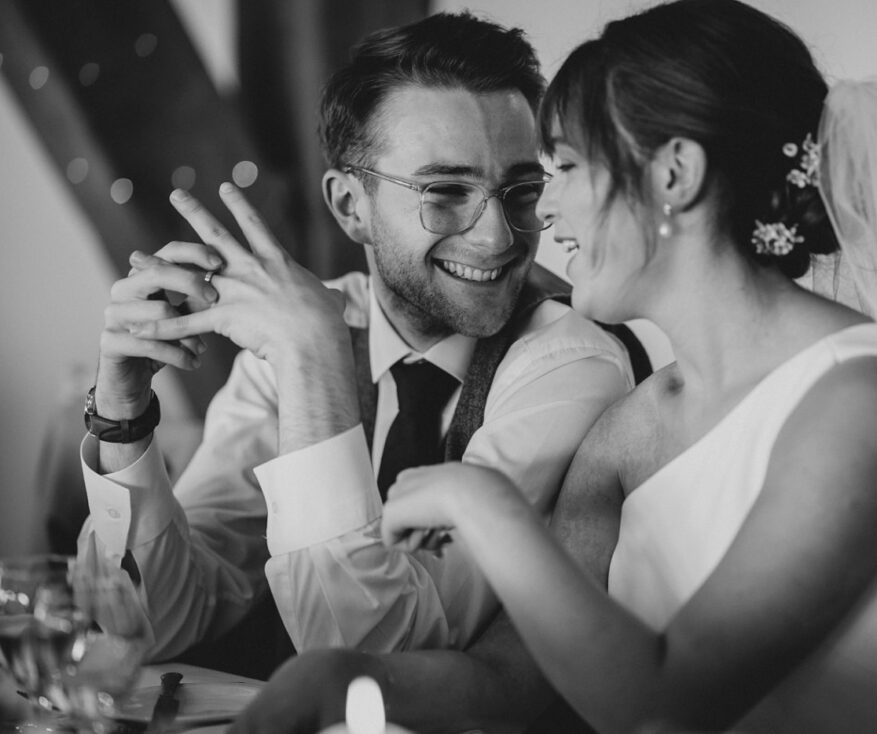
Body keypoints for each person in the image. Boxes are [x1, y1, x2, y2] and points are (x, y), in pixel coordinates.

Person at [233, 0, 877, 732]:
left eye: (563, 168)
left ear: (673, 175)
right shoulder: (631, 429)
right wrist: (339, 675)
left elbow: (670, 705)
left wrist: (480, 504)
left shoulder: (868, 401)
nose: (537, 214)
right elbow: (510, 682)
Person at [74, 10, 637, 672]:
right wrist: (120, 415)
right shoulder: (305, 331)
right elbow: (154, 622)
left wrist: (314, 361)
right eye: (446, 191)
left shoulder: (568, 366)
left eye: (520, 191)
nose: (497, 238)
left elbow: (376, 649)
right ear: (349, 206)